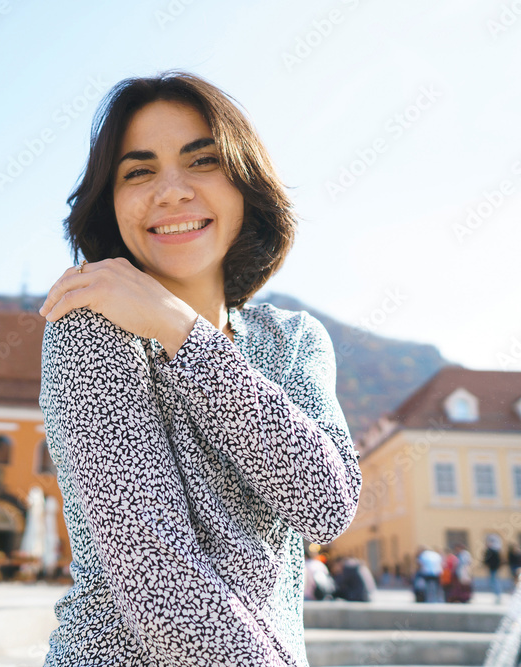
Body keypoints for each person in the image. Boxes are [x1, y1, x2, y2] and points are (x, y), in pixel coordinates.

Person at [37, 70, 362, 666]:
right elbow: (161, 584)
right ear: (111, 202)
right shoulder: (86, 330)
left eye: (202, 161)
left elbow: (323, 503)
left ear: (245, 183)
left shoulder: (293, 340)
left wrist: (182, 331)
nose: (171, 191)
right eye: (138, 171)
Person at [483, 533, 504, 603]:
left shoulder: (493, 550)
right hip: (492, 568)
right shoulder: (494, 550)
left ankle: (498, 596)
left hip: (493, 568)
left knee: (494, 581)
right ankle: (497, 595)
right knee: (493, 581)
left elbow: (489, 559)